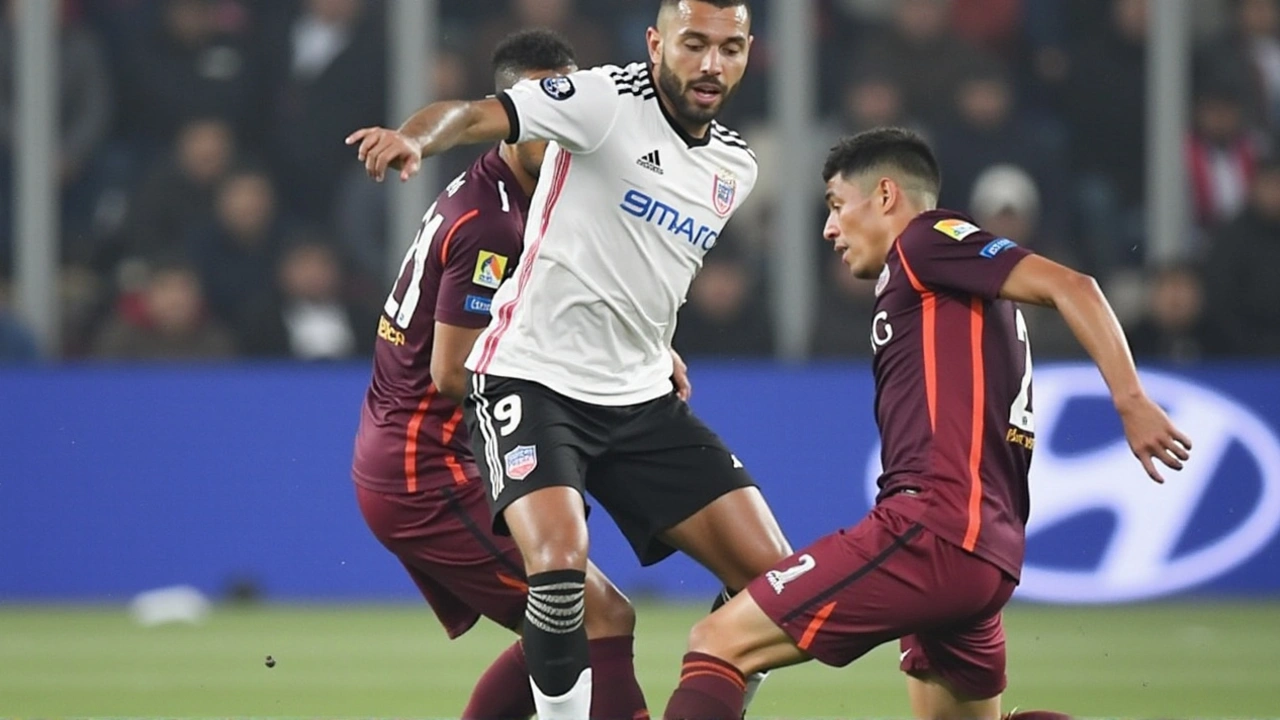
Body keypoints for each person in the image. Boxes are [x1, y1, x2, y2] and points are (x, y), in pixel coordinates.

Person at [347, 2, 792, 718]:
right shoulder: (577, 127)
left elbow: (629, 268)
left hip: (626, 399)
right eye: (695, 44)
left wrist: (650, 346)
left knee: (776, 580)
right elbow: (453, 372)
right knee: (580, 601)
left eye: (731, 48)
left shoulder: (729, 167)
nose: (712, 63)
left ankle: (717, 673)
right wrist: (413, 140)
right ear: (656, 45)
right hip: (474, 425)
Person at [658, 127, 1193, 720]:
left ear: (885, 195)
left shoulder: (925, 241)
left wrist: (1130, 398)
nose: (829, 229)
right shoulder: (949, 288)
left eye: (837, 206)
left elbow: (1075, 286)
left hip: (933, 531)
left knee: (718, 642)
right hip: (984, 553)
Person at [349, 30, 645, 720]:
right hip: (427, 466)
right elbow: (454, 372)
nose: (565, 138)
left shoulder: (523, 196)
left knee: (561, 621)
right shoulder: (492, 224)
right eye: (545, 122)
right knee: (599, 616)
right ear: (512, 118)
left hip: (429, 454)